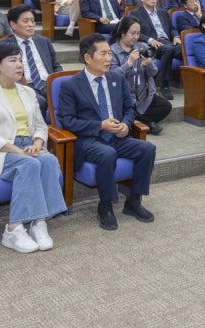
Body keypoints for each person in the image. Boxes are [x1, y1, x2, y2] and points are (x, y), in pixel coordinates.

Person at [0, 41, 66, 253]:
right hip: (1, 151)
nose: (19, 65)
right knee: (29, 164)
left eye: (21, 61)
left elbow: (41, 126)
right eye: (12, 61)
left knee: (50, 160)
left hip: (28, 147)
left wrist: (37, 143)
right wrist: (20, 151)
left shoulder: (28, 92)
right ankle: (13, 229)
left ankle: (38, 222)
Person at [58, 34, 157, 230]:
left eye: (110, 54)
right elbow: (67, 121)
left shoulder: (116, 78)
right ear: (88, 57)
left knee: (148, 148)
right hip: (89, 140)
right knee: (107, 153)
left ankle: (133, 201)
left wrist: (126, 125)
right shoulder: (71, 85)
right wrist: (99, 125)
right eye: (103, 54)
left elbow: (129, 109)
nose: (108, 59)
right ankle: (105, 206)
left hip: (117, 136)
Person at [108, 16, 171, 135]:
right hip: (124, 97)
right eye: (132, 33)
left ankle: (137, 121)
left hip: (144, 95)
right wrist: (129, 63)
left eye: (138, 33)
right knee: (120, 111)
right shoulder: (113, 51)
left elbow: (154, 73)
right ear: (122, 32)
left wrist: (149, 64)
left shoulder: (142, 47)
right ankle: (147, 123)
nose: (136, 37)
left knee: (165, 106)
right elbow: (112, 77)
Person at [129, 0, 180, 100]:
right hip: (149, 46)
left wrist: (176, 36)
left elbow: (172, 29)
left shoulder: (163, 12)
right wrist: (150, 39)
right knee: (168, 50)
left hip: (168, 42)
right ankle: (165, 85)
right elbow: (134, 33)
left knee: (183, 48)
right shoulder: (135, 14)